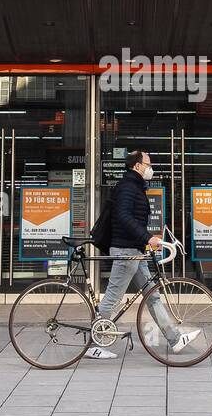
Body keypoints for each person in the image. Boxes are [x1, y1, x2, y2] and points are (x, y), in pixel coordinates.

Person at [84, 150, 201, 360]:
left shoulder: (134, 186)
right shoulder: (128, 187)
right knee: (113, 296)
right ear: (137, 166)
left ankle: (175, 339)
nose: (151, 168)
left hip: (134, 250)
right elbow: (122, 217)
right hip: (126, 251)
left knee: (152, 295)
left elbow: (132, 218)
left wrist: (144, 241)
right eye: (148, 163)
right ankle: (92, 344)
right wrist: (147, 237)